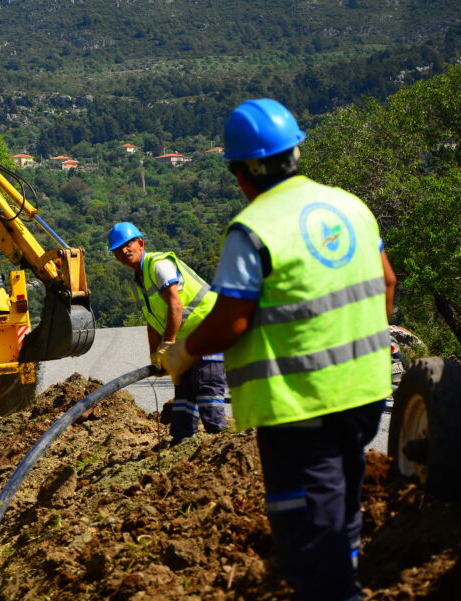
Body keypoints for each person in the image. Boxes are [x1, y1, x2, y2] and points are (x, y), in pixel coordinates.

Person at [160, 98, 397, 601]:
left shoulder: (253, 229)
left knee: (308, 536)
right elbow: (387, 283)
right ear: (295, 153)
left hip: (300, 407)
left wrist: (185, 352)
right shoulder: (349, 206)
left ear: (241, 171)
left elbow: (232, 320)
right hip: (365, 394)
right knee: (341, 515)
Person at [107, 221, 227, 445]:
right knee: (184, 393)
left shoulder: (159, 265)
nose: (123, 251)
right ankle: (182, 442)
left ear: (140, 244)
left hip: (209, 329)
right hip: (186, 340)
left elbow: (175, 305)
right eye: (117, 249)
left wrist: (168, 343)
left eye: (127, 245)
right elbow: (152, 320)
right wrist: (156, 354)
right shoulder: (137, 282)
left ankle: (218, 442)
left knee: (206, 385)